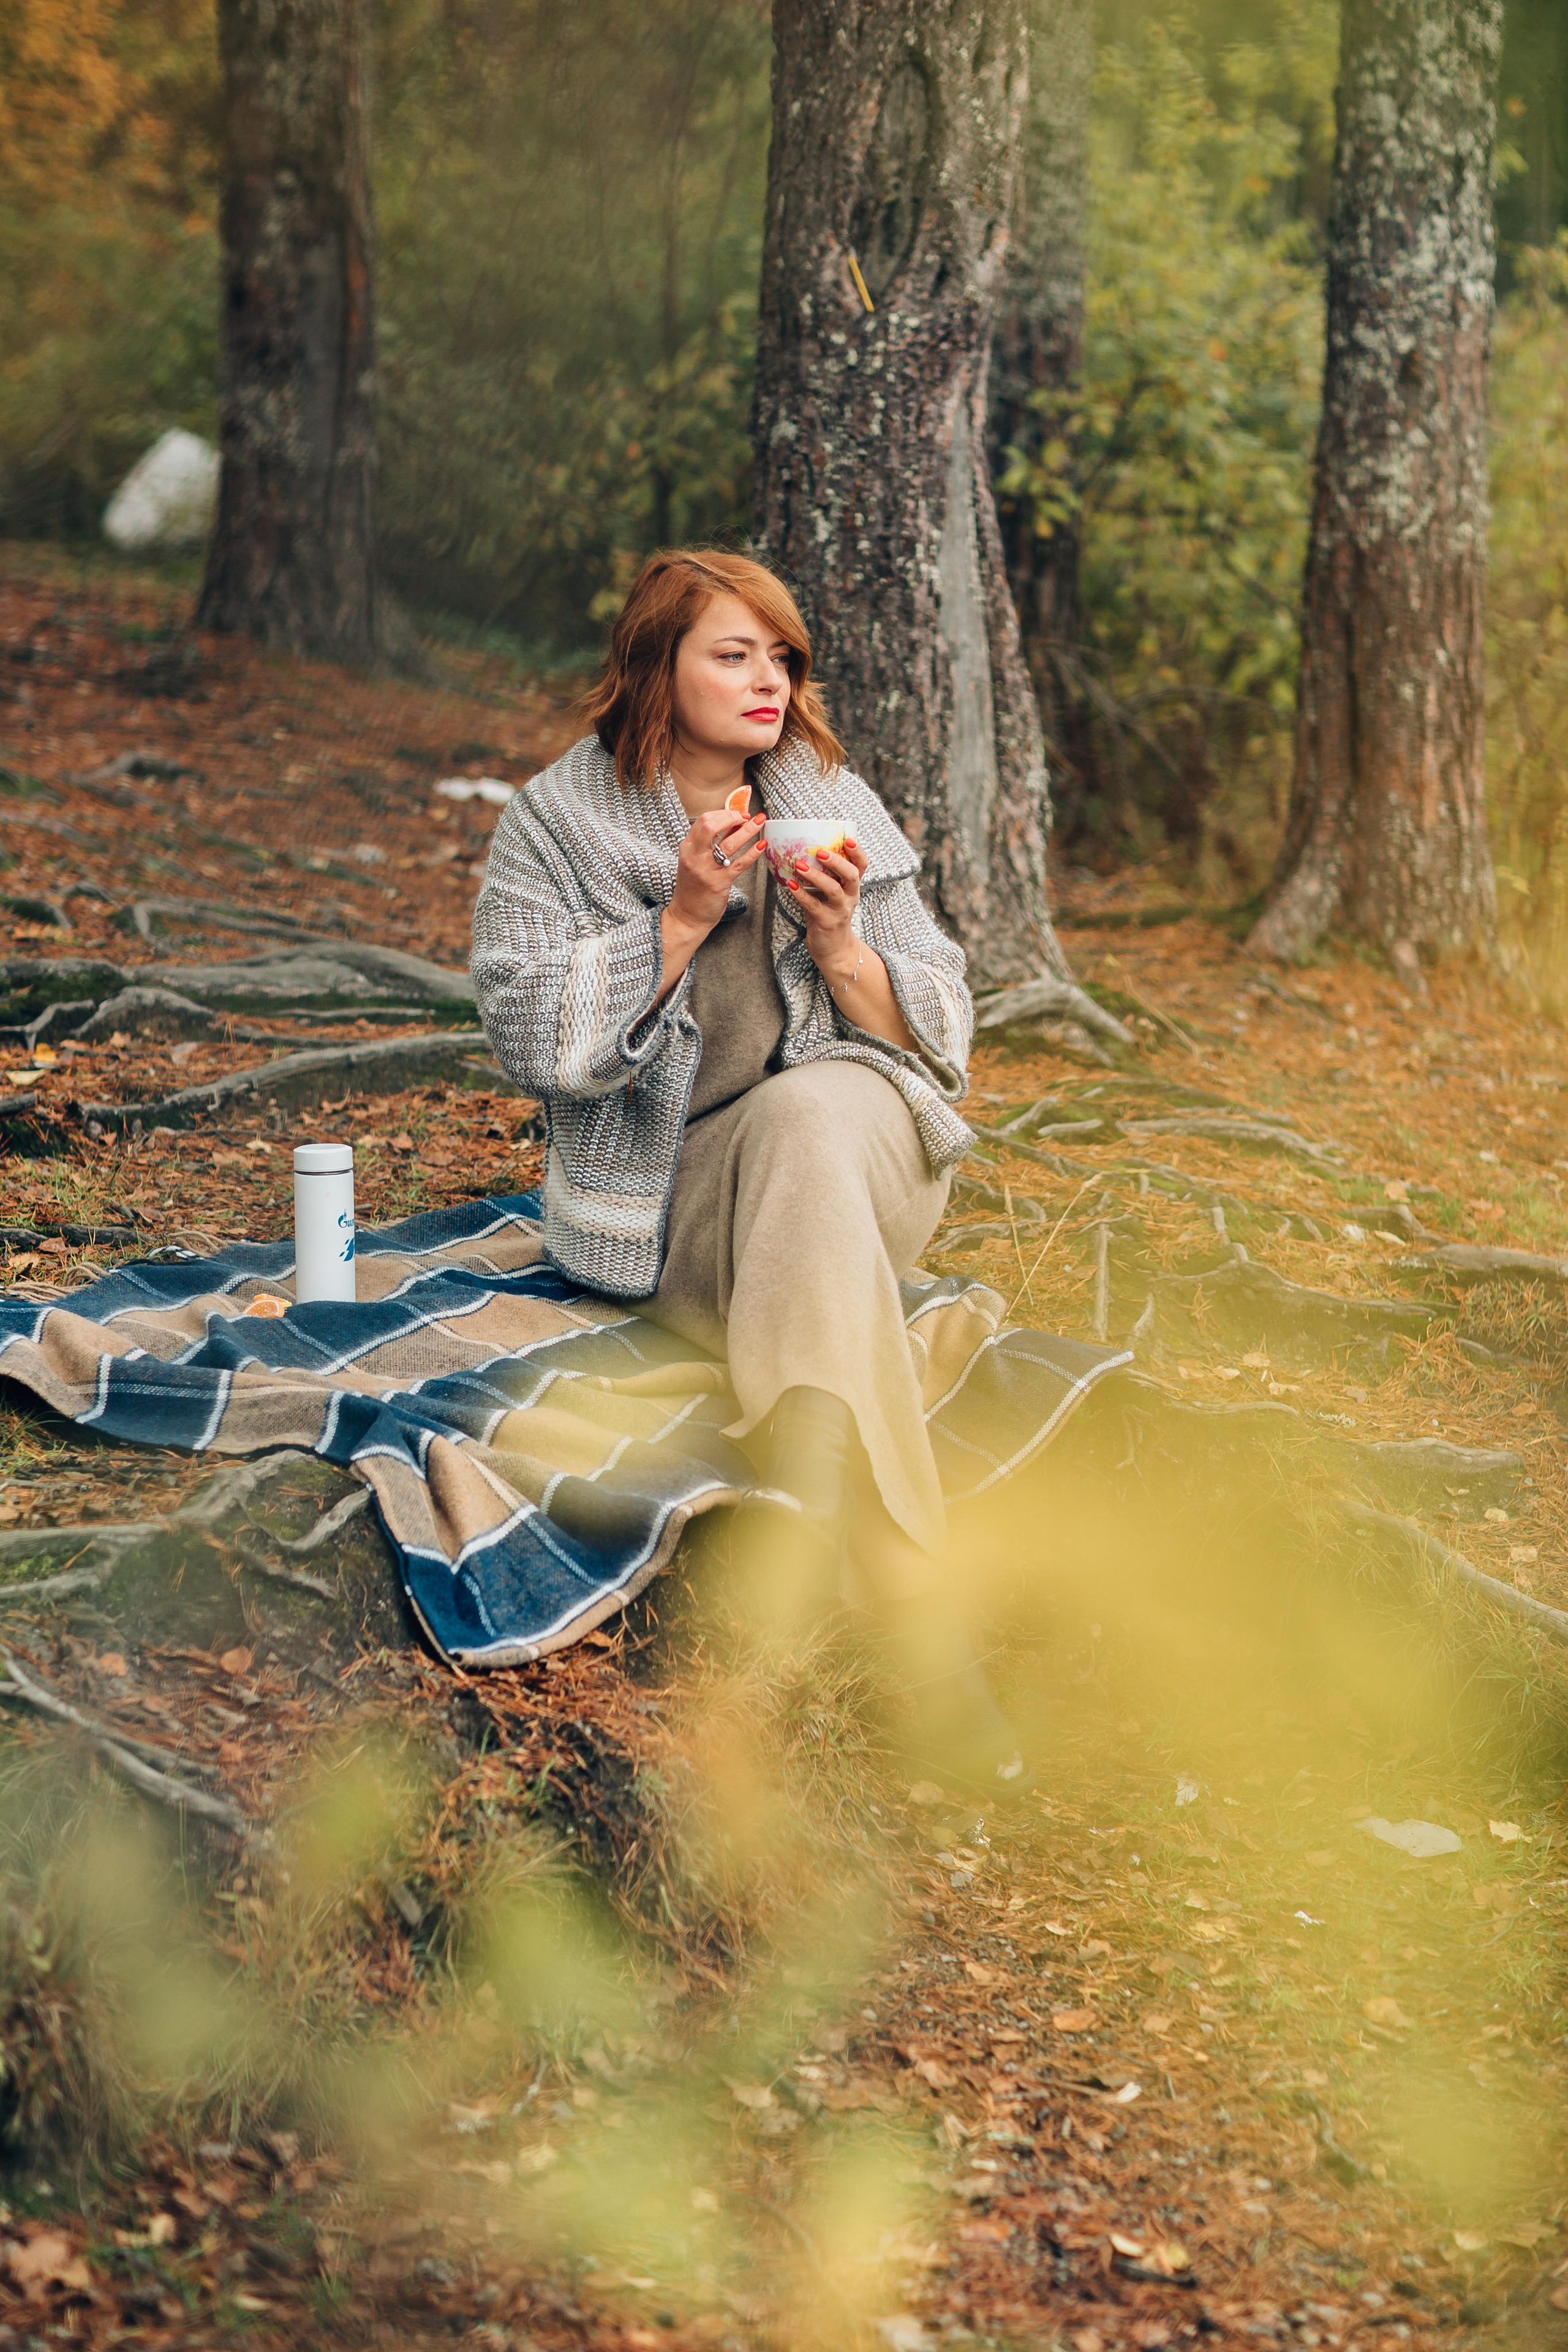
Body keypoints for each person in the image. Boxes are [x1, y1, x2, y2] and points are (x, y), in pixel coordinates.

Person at [471, 548, 1024, 1792]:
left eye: (781, 656)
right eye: (733, 654)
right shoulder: (557, 824)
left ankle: (816, 1528)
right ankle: (908, 1613)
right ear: (655, 666)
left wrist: (840, 943)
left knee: (811, 1113)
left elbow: (942, 1026)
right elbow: (529, 1035)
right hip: (679, 1209)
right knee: (789, 1136)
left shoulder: (827, 795)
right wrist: (676, 920)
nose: (769, 679)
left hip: (863, 1160)